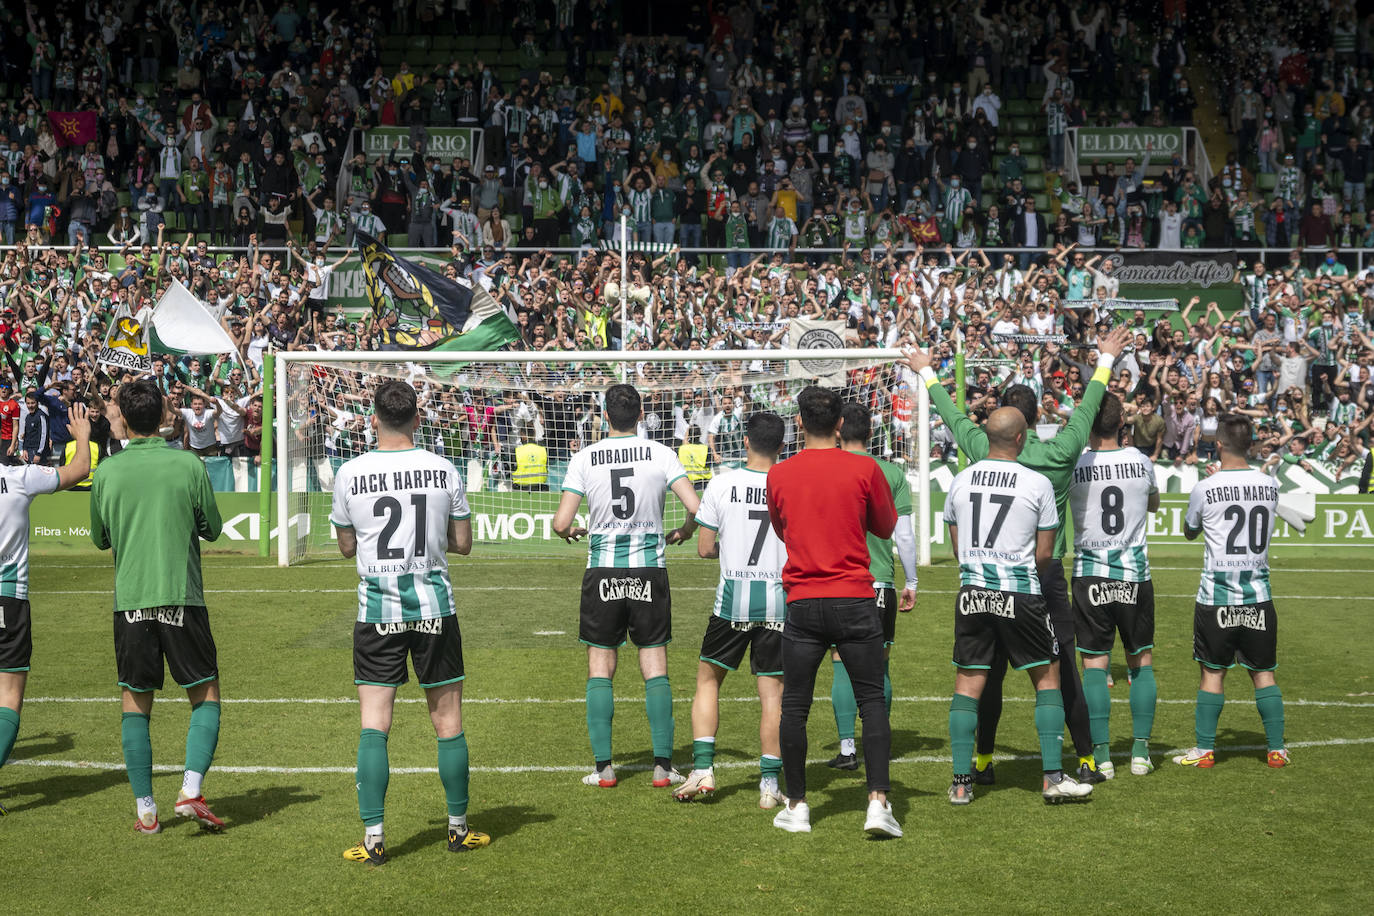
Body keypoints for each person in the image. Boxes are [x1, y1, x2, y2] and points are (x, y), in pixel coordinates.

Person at [903, 325, 1131, 787]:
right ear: (1031, 426)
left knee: (982, 673)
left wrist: (927, 373)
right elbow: (1086, 412)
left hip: (982, 577)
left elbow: (952, 415)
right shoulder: (1060, 454)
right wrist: (1105, 360)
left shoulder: (976, 450)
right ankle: (1084, 759)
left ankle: (980, 763)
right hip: (1041, 579)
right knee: (1059, 668)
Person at [328, 380, 489, 866]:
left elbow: (345, 547)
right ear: (417, 419)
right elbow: (462, 543)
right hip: (434, 609)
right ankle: (458, 829)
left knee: (375, 725)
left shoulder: (350, 473)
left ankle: (374, 839)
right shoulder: (443, 470)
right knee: (448, 723)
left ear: (373, 419)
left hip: (377, 612)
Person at [88, 380, 225, 834]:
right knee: (205, 696)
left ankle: (146, 810)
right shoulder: (187, 464)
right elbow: (213, 528)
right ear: (165, 413)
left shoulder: (107, 472)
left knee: (135, 703)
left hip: (130, 600)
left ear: (123, 419)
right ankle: (189, 789)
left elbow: (100, 537)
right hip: (181, 596)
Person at [765, 386, 901, 838]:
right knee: (872, 701)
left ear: (800, 422)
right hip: (854, 597)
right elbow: (884, 526)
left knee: (795, 707)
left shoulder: (779, 474)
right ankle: (877, 803)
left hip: (803, 600)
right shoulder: (864, 468)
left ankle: (799, 806)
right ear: (840, 423)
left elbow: (783, 530)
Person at [942, 407, 1094, 806]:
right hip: (1020, 592)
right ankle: (1052, 778)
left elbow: (957, 549)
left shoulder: (960, 481)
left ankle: (961, 783)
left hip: (972, 593)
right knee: (1047, 679)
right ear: (1023, 438)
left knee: (967, 685)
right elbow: (1045, 554)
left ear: (987, 437)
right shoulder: (1038, 483)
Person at [552, 384, 701, 789]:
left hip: (602, 572)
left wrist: (573, 531)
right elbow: (696, 508)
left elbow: (561, 523)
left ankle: (604, 769)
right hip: (649, 571)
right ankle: (663, 767)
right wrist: (686, 531)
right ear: (640, 416)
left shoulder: (585, 457)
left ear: (604, 414)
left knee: (601, 667)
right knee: (655, 667)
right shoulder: (662, 453)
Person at [674, 412, 788, 809]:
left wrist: (732, 551)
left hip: (732, 601)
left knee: (708, 682)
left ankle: (703, 770)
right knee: (772, 695)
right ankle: (770, 786)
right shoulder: (790, 483)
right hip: (778, 601)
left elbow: (705, 548)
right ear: (782, 445)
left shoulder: (722, 483)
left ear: (744, 442)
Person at [1176, 414, 1287, 769]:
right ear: (1251, 445)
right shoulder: (1270, 485)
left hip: (1216, 599)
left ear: (1219, 445)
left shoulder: (1205, 488)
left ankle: (1205, 749)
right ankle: (1276, 749)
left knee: (1212, 672)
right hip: (1257, 596)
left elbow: (1190, 531)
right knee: (1264, 673)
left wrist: (1211, 485)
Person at [0, 404, 91, 813]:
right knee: (9, 696)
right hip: (9, 599)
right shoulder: (18, 477)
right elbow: (77, 471)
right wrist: (82, 436)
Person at [1068, 394, 1161, 778]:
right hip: (1133, 575)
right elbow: (1153, 504)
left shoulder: (1075, 464)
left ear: (1088, 421)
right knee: (1140, 660)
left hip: (1090, 573)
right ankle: (1140, 753)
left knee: (1094, 664)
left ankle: (1102, 756)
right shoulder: (1141, 461)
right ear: (1122, 424)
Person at [827, 403, 917, 771]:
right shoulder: (892, 473)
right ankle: (880, 742)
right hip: (879, 584)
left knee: (840, 665)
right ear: (870, 433)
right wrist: (910, 580)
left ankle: (847, 749)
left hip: (838, 582)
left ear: (838, 430)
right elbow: (905, 536)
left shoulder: (828, 468)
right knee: (879, 667)